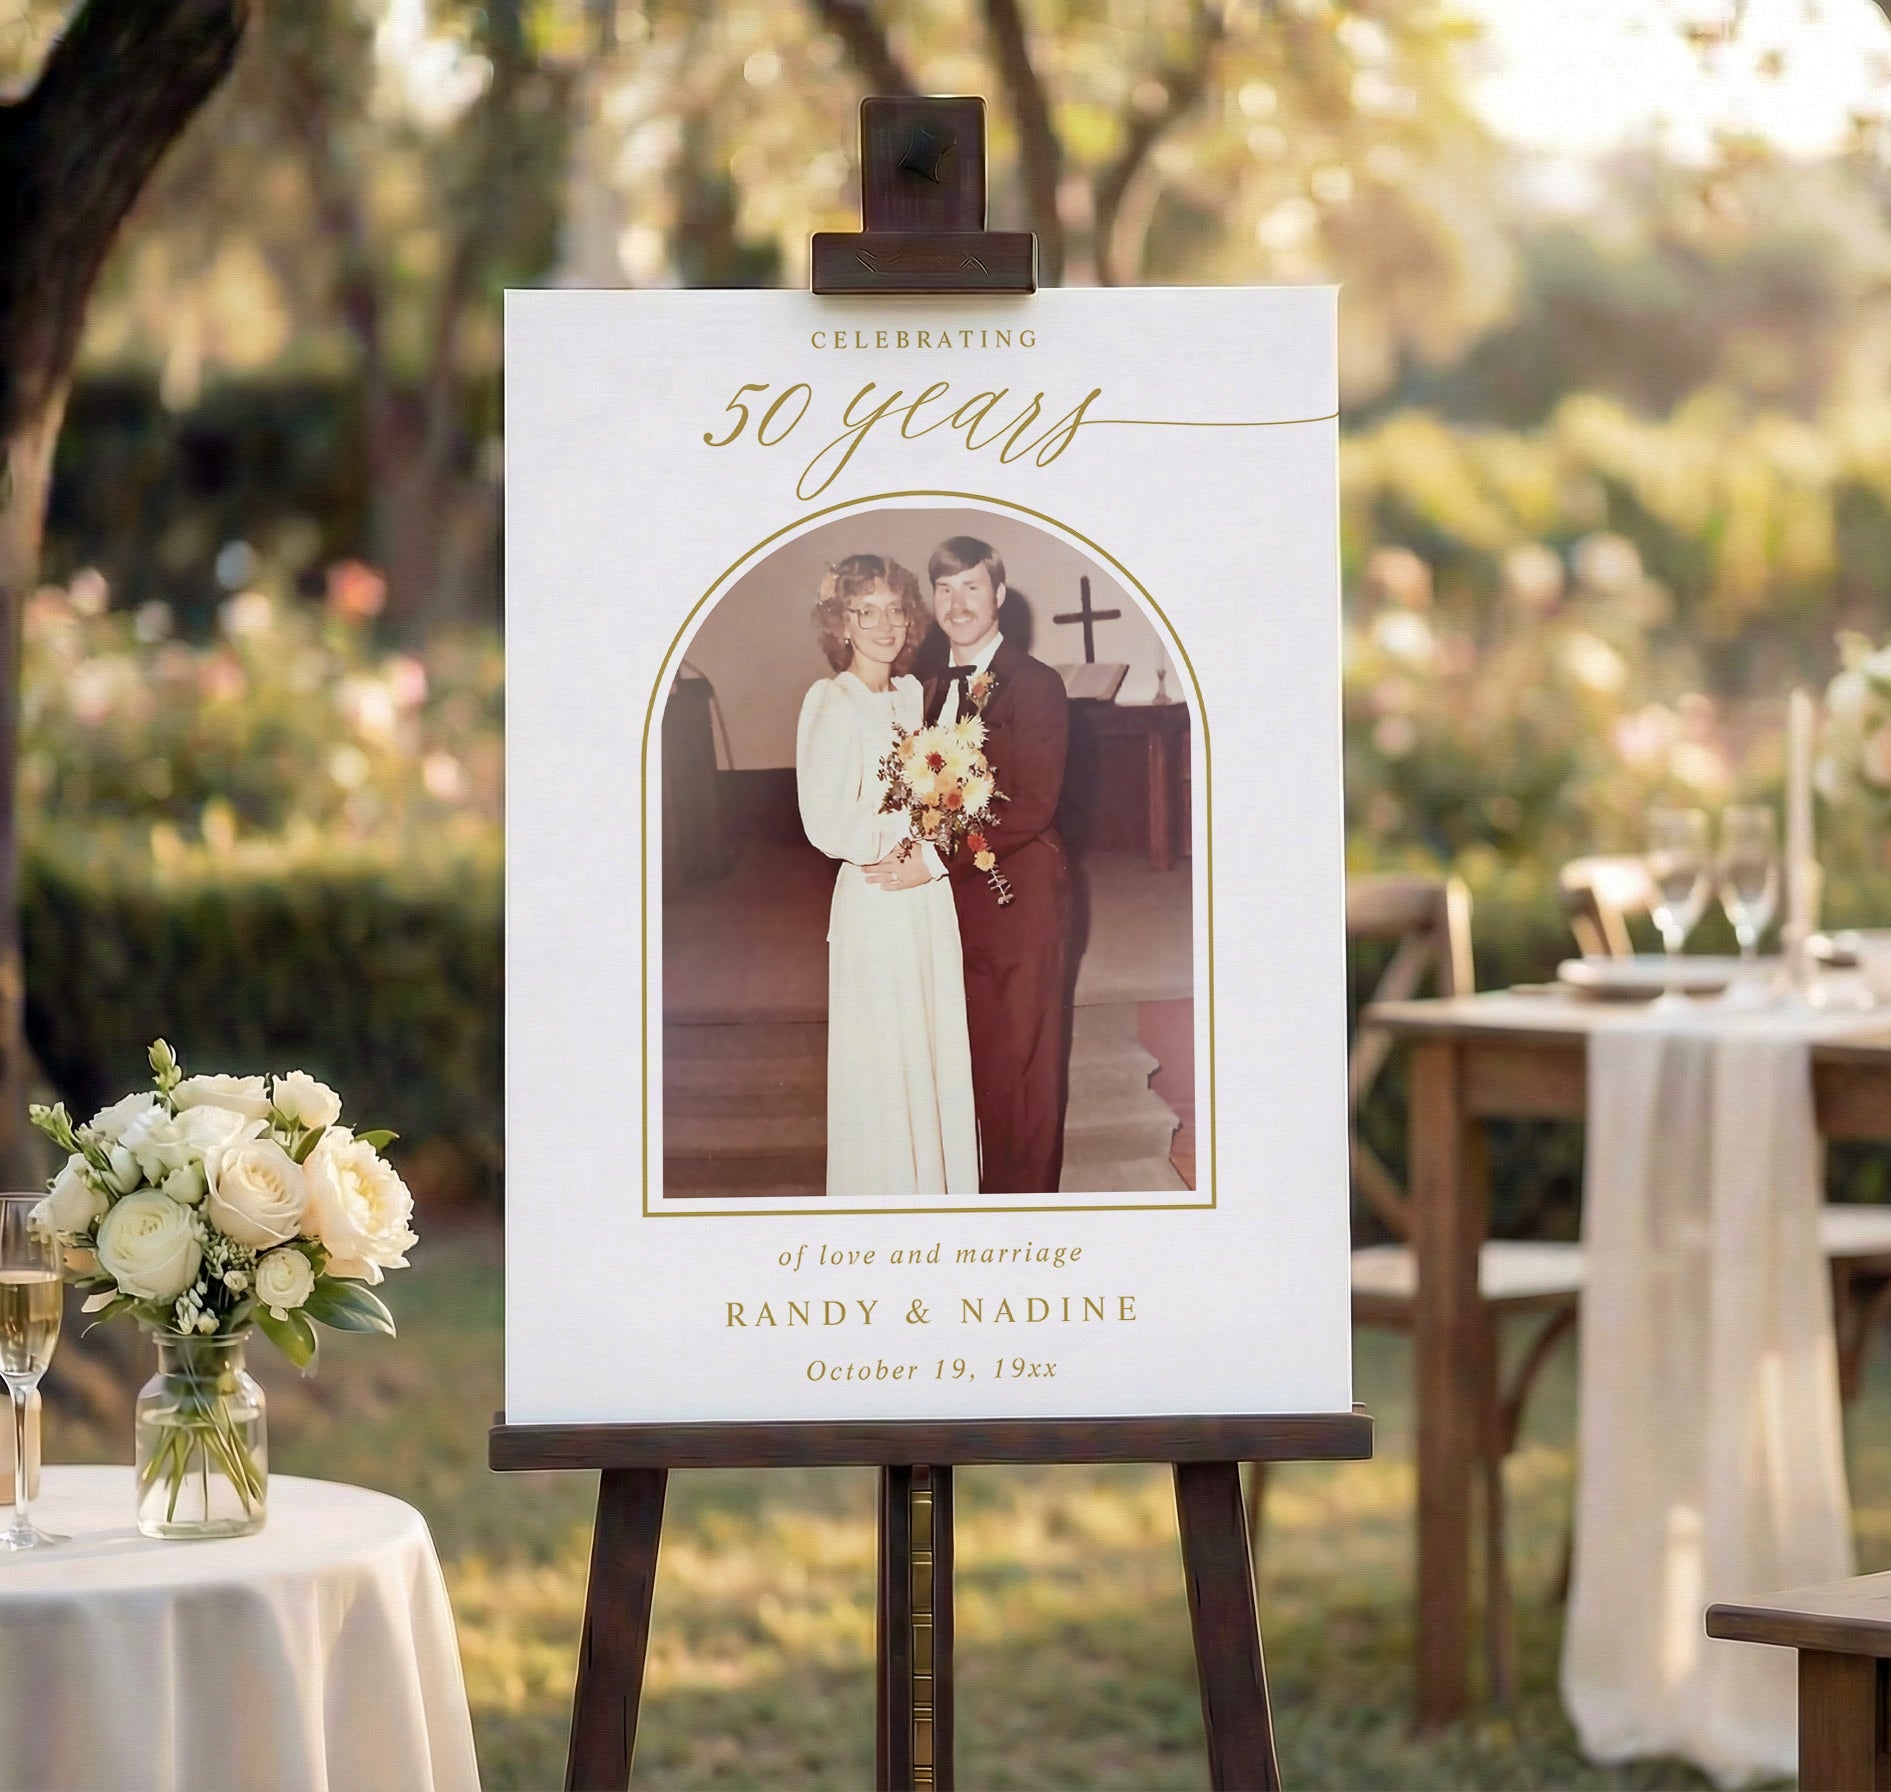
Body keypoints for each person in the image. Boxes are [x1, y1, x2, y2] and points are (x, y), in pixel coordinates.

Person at [864, 534, 1071, 1194]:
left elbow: (1033, 804)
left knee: (1020, 1072)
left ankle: (1022, 1215)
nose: (957, 605)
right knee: (965, 1065)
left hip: (1016, 904)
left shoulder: (1036, 685)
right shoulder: (922, 689)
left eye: (972, 588)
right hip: (942, 910)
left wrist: (930, 858)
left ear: (999, 595)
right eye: (945, 590)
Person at [795, 555, 979, 1197]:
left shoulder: (910, 695)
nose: (883, 624)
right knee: (885, 1055)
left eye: (894, 610)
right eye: (864, 611)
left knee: (930, 1041)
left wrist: (938, 828)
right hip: (877, 895)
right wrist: (905, 831)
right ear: (840, 624)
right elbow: (824, 820)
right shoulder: (831, 700)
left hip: (926, 896)